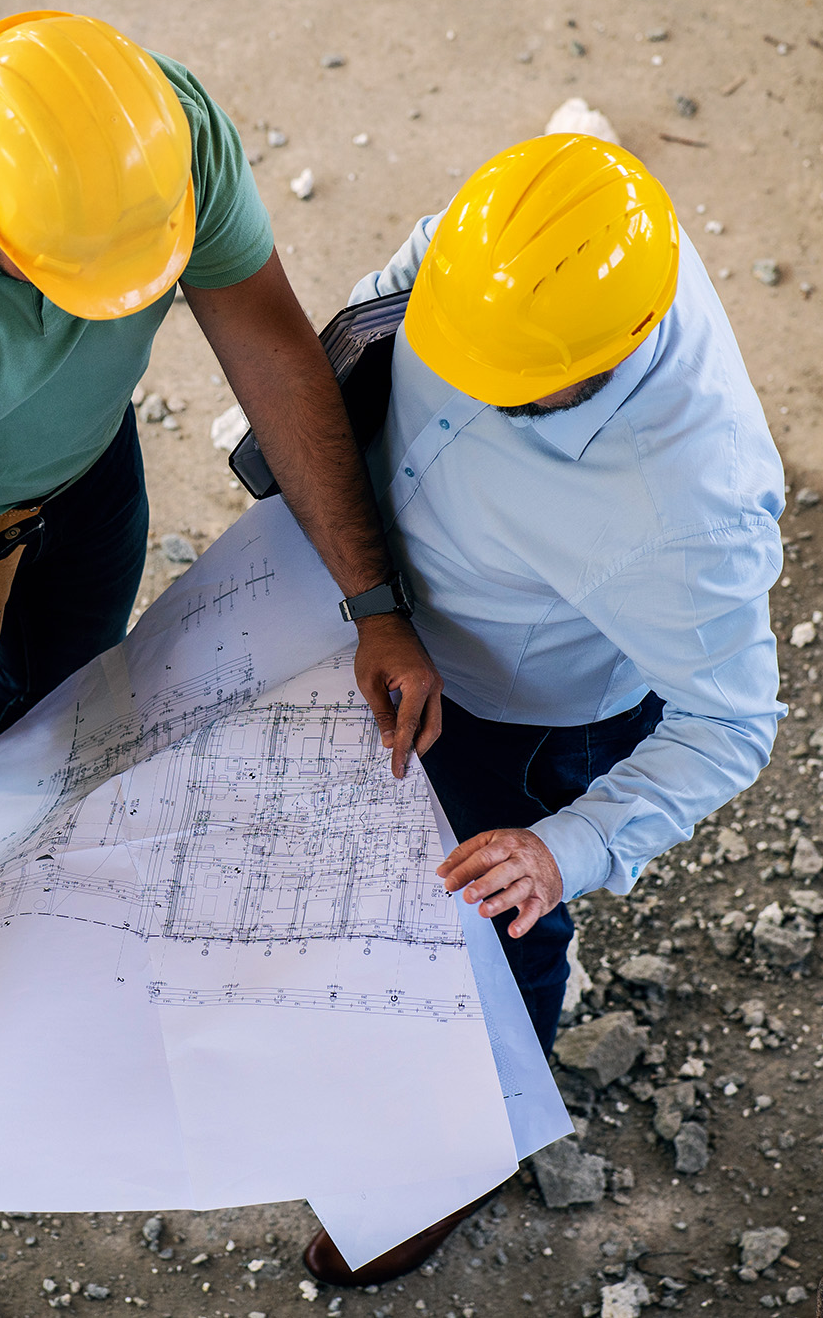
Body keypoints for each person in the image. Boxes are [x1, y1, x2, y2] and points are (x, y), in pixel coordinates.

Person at [0, 11, 440, 982]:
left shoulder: (159, 144)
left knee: (76, 712)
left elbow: (271, 350)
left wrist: (372, 600)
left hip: (88, 476)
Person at [299, 135, 787, 1286]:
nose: (459, 377)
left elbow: (733, 724)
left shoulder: (689, 516)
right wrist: (362, 587)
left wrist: (557, 848)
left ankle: (464, 1147)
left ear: (606, 355)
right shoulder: (516, 243)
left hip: (518, 721)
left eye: (501, 385)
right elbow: (381, 316)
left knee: (487, 929)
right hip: (382, 615)